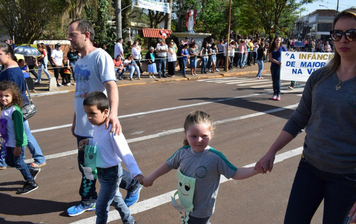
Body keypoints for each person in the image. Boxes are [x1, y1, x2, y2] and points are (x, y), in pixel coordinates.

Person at [255, 9, 356, 224]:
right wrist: (271, 152)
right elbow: (300, 117)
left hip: (348, 178)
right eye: (337, 34)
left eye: (352, 34)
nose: (343, 40)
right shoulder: (320, 76)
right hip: (309, 168)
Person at [67, 19, 142, 217]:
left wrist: (114, 115)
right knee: (88, 166)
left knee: (97, 164)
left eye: (73, 34)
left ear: (86, 35)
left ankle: (127, 186)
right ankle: (93, 198)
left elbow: (111, 87)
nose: (69, 39)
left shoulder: (101, 56)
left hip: (98, 124)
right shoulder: (79, 61)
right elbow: (79, 92)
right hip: (83, 124)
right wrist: (75, 119)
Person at [141, 110, 262, 224]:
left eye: (204, 136)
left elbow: (235, 173)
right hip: (186, 204)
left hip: (201, 211)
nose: (199, 140)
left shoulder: (215, 158)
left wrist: (255, 170)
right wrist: (151, 177)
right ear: (185, 134)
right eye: (194, 136)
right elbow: (168, 164)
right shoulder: (182, 153)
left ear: (211, 134)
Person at [79, 91, 143, 223]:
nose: (89, 117)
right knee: (117, 201)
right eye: (87, 113)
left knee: (101, 207)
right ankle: (130, 222)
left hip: (111, 174)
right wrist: (88, 142)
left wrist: (136, 173)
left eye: (92, 113)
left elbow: (125, 152)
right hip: (102, 173)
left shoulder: (113, 129)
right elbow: (101, 143)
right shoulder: (97, 126)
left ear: (105, 112)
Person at [0, 43, 46, 169]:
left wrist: (8, 108)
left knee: (19, 133)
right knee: (18, 132)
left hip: (15, 108)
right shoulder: (9, 68)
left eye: (0, 54)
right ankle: (38, 158)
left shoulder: (11, 72)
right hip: (14, 107)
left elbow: (11, 92)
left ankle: (38, 158)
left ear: (8, 54)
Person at [0, 81, 41, 194]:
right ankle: (31, 169)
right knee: (10, 161)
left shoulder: (15, 111)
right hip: (8, 143)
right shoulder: (4, 108)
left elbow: (19, 130)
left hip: (17, 143)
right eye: (1, 96)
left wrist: (18, 146)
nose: (3, 98)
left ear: (13, 96)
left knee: (18, 163)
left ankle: (31, 182)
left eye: (7, 96)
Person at [268, 36, 287, 101]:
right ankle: (274, 94)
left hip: (280, 66)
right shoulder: (272, 48)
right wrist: (276, 62)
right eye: (277, 40)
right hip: (273, 65)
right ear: (274, 41)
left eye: (279, 40)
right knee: (274, 80)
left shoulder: (283, 48)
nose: (278, 41)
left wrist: (282, 62)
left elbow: (287, 56)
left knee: (278, 80)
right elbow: (270, 58)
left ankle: (278, 94)